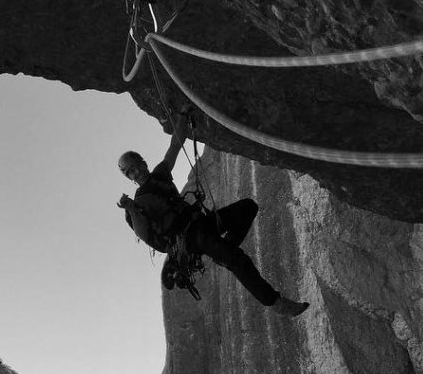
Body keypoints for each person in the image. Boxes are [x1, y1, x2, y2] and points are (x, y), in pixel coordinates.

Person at [117, 111, 309, 317]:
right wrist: (129, 208)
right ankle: (276, 304)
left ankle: (224, 251)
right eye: (132, 172)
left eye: (137, 166)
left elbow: (175, 145)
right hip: (188, 240)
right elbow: (144, 233)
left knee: (248, 207)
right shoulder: (138, 203)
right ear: (129, 177)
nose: (137, 172)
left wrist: (182, 115)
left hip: (202, 223)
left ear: (143, 163)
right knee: (237, 259)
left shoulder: (160, 175)